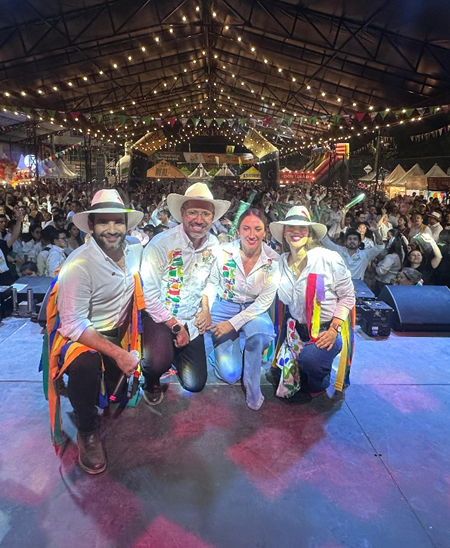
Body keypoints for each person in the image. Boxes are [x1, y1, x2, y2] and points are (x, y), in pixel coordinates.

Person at [49, 189, 144, 474]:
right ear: (91, 226)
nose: (112, 230)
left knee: (116, 399)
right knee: (87, 366)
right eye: (104, 222)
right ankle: (87, 432)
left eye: (118, 222)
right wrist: (119, 355)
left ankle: (96, 384)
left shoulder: (135, 249)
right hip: (83, 338)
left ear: (127, 226)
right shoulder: (78, 265)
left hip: (119, 332)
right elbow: (74, 325)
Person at [139, 183, 231, 405]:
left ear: (212, 217)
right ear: (182, 214)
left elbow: (212, 281)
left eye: (205, 214)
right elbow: (149, 297)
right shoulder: (160, 245)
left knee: (194, 384)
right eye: (192, 212)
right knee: (156, 361)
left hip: (191, 319)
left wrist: (206, 309)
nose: (199, 220)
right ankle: (152, 376)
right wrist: (176, 327)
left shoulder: (213, 244)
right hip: (159, 318)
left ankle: (173, 353)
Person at [197, 208, 280, 411]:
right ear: (238, 231)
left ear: (265, 233)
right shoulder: (223, 252)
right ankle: (222, 352)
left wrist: (232, 325)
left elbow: (264, 302)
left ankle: (253, 389)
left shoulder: (273, 261)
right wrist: (206, 308)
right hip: (224, 305)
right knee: (230, 375)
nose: (252, 235)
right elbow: (213, 284)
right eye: (246, 228)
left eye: (257, 229)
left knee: (259, 334)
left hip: (254, 309)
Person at [272, 206, 356, 402]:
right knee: (280, 375)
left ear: (309, 233)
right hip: (295, 331)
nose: (296, 231)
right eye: (290, 227)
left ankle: (320, 379)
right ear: (284, 232)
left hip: (326, 330)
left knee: (311, 363)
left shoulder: (328, 259)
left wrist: (334, 329)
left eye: (302, 227)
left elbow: (347, 296)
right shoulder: (279, 263)